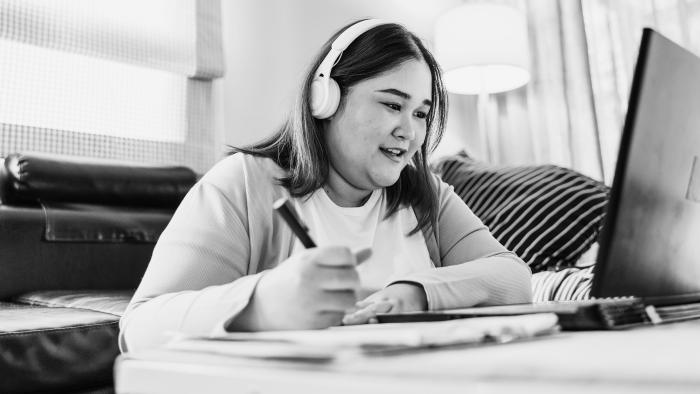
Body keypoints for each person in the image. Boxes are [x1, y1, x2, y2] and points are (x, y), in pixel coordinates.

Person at [119, 19, 532, 352]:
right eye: (392, 104)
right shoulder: (244, 185)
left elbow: (514, 280)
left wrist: (418, 292)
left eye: (421, 113)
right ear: (325, 99)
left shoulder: (427, 195)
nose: (410, 131)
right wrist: (260, 305)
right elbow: (139, 328)